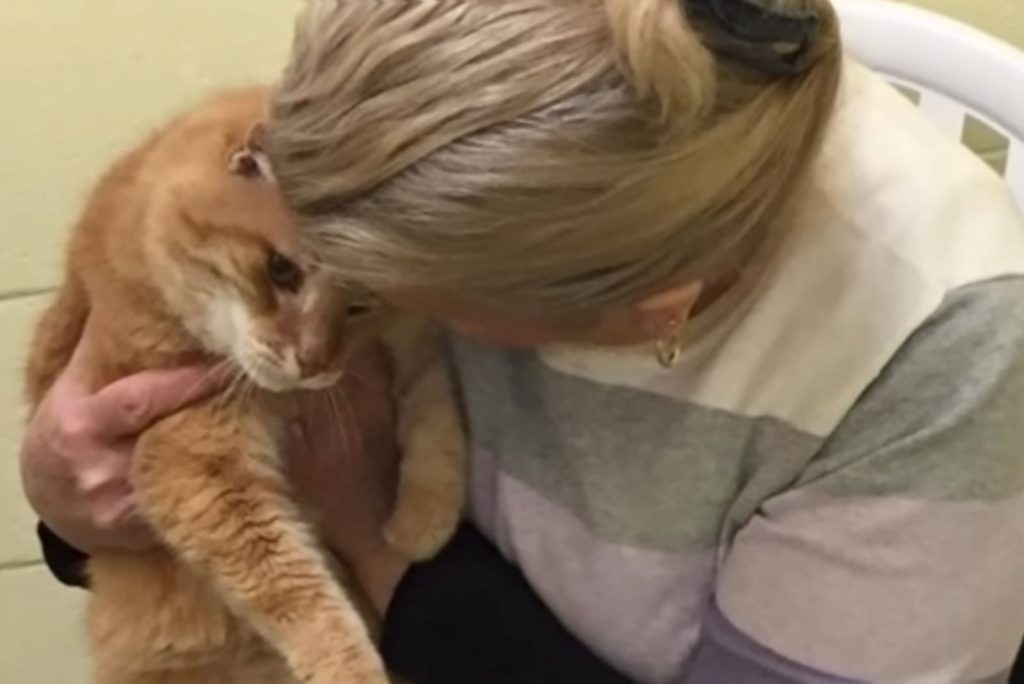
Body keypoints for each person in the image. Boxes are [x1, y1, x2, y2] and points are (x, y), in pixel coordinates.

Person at [21, 0, 1024, 682]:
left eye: (392, 295)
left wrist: (363, 523)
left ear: (649, 312)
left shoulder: (950, 356)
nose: (332, 333)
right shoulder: (432, 100)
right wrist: (71, 505)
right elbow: (146, 430)